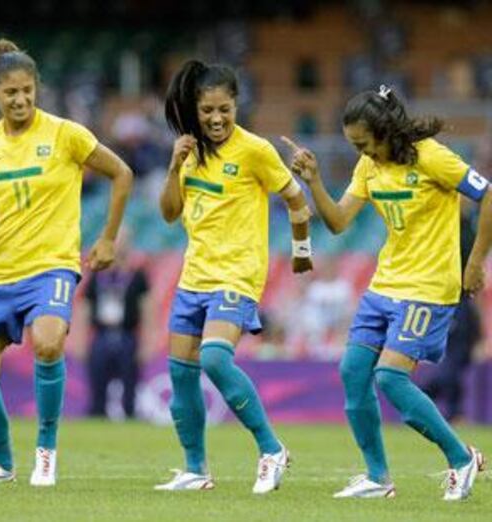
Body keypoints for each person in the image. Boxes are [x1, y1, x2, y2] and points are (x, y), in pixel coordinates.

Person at [284, 85, 491, 500]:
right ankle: (378, 478)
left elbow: (488, 195)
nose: (363, 152)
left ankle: (461, 458)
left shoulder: (431, 156)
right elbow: (339, 222)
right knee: (352, 372)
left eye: (364, 143)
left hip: (428, 287)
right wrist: (314, 182)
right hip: (385, 284)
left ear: (386, 131)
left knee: (391, 378)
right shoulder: (368, 166)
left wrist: (474, 262)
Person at [0, 39, 133, 486]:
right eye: (10, 93)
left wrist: (108, 238)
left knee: (50, 342)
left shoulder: (65, 134)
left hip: (51, 266)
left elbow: (122, 173)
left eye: (27, 90)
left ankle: (46, 451)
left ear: (37, 88)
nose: (20, 100)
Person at [156, 60, 313, 493]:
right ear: (196, 109)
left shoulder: (255, 150)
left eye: (224, 108)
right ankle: (195, 469)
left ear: (236, 105)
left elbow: (297, 202)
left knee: (214, 359)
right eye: (207, 110)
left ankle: (270, 449)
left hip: (237, 275)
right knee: (181, 375)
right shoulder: (189, 152)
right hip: (194, 277)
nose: (217, 118)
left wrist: (301, 252)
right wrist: (174, 166)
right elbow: (169, 214)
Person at [422, 198, 483, 422]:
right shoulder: (447, 226)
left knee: (461, 358)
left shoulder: (468, 224)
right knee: (453, 359)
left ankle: (424, 396)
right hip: (449, 299)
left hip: (464, 300)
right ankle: (449, 408)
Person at [81, 230, 152, 419]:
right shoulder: (97, 276)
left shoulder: (137, 276)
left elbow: (147, 310)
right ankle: (97, 416)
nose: (119, 246)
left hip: (127, 334)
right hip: (102, 335)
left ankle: (130, 416)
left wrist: (146, 343)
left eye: (123, 241)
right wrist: (82, 341)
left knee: (130, 383)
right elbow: (85, 308)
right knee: (97, 382)